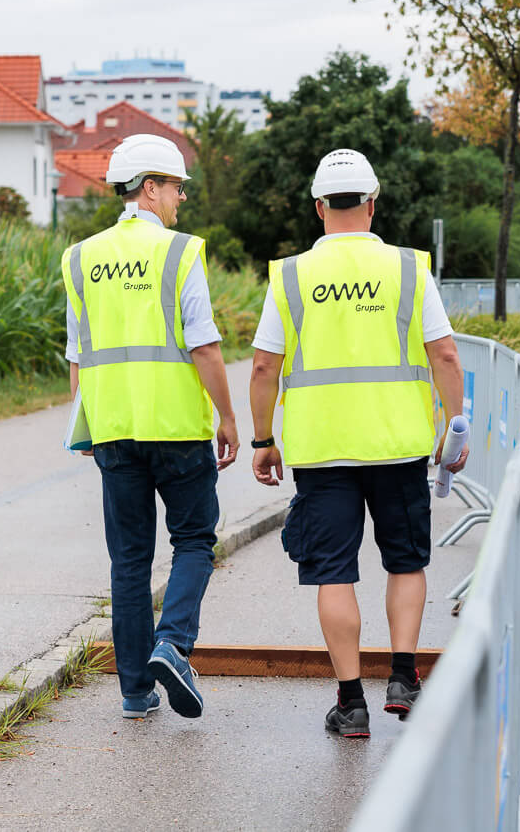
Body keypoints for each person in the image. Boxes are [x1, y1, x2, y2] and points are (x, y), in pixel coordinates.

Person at [247, 148, 467, 738]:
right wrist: (455, 424)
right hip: (398, 445)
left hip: (322, 452)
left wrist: (263, 440)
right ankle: (403, 678)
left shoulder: (290, 275)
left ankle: (351, 704)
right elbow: (443, 352)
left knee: (334, 574)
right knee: (406, 561)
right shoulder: (406, 269)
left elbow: (265, 366)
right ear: (372, 203)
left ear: (319, 207)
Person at [61, 133, 240, 721]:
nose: (181, 199)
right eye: (175, 187)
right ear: (149, 188)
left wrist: (89, 426)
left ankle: (135, 693)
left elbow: (78, 356)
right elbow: (205, 346)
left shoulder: (80, 257)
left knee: (129, 561)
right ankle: (173, 644)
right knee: (194, 541)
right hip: (178, 428)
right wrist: (229, 417)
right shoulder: (181, 252)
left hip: (115, 432)